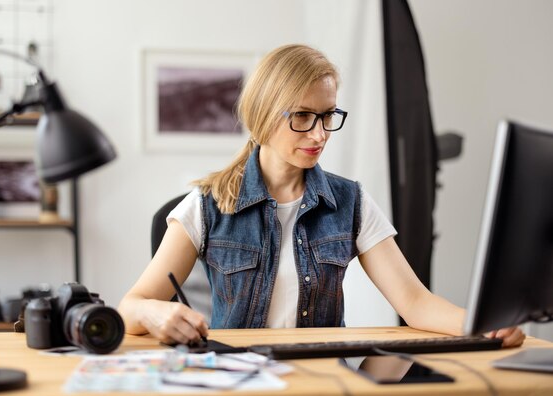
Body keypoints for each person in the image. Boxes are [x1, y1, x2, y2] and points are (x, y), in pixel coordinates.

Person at [118, 44, 525, 348]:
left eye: (328, 115)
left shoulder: (351, 202)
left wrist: (481, 323)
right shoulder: (207, 204)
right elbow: (130, 306)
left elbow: (415, 302)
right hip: (238, 385)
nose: (319, 134)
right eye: (302, 117)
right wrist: (157, 311)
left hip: (325, 379)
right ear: (263, 116)